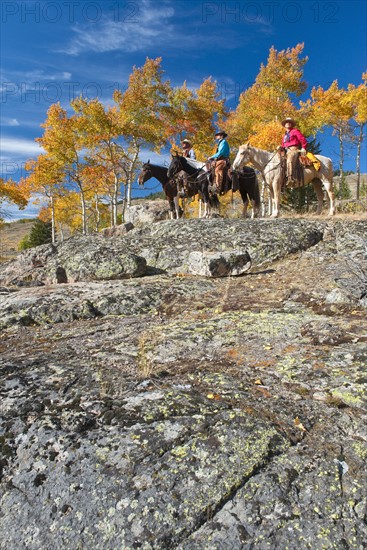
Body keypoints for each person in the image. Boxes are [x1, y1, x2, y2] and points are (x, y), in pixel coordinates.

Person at [281, 117, 307, 185]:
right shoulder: (284, 136)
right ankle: (281, 180)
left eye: (290, 122)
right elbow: (283, 144)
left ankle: (290, 178)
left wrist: (303, 147)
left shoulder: (295, 131)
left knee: (289, 160)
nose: (288, 123)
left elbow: (302, 139)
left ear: (291, 124)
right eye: (287, 122)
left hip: (294, 149)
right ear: (284, 125)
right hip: (285, 151)